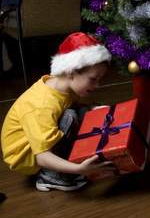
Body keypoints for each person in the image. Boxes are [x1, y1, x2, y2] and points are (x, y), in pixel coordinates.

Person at [1, 32, 116, 191]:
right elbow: (42, 157)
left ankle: (78, 156)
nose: (97, 85)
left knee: (82, 109)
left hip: (39, 145)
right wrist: (80, 170)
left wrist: (97, 109)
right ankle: (51, 176)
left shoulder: (63, 88)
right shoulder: (42, 105)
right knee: (69, 117)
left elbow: (86, 103)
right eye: (93, 79)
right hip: (25, 156)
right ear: (71, 72)